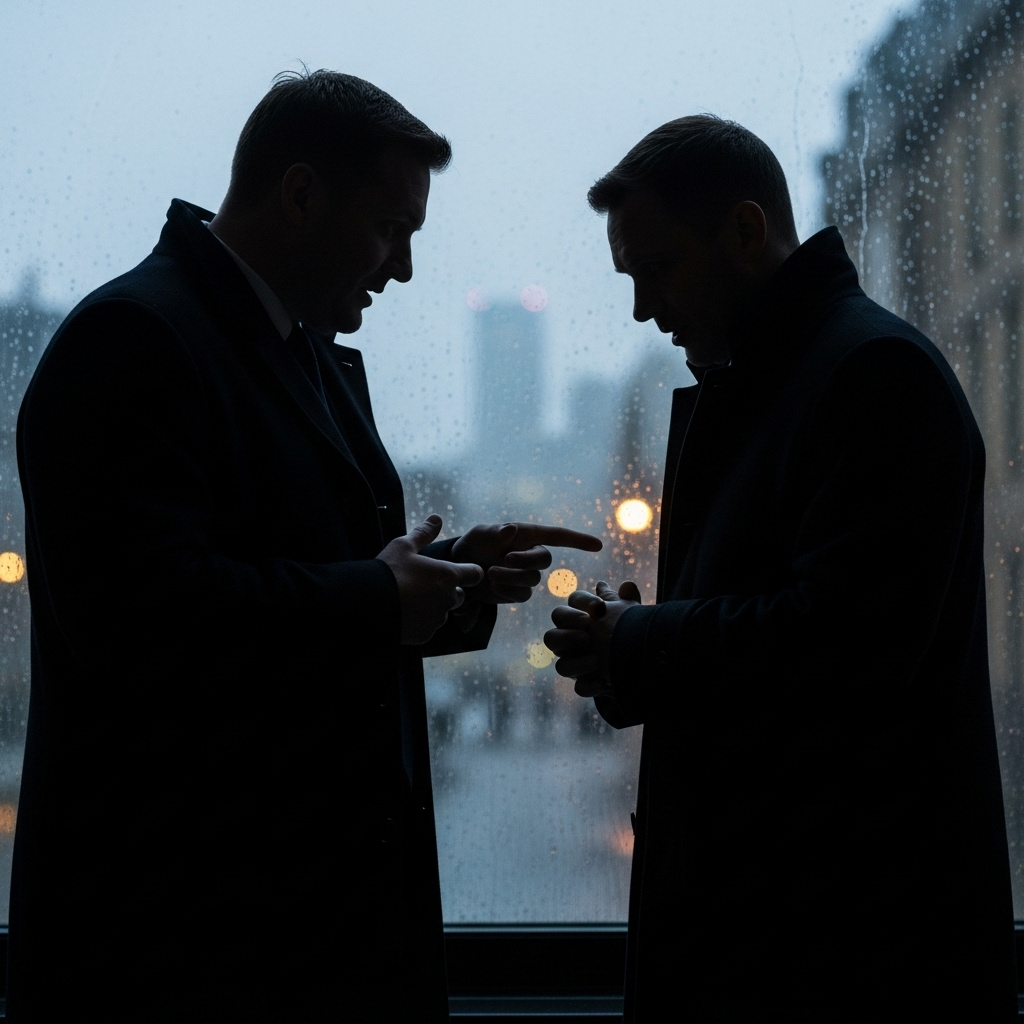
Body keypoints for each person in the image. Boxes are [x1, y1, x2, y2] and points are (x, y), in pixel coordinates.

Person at [10, 70, 600, 1023]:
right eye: (389, 229)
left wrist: (451, 582)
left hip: (280, 937)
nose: (402, 268)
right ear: (299, 195)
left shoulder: (293, 349)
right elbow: (132, 621)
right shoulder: (131, 339)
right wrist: (380, 595)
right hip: (185, 954)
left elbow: (302, 588)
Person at [545, 115, 1018, 1022]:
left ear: (747, 232)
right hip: (801, 945)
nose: (643, 309)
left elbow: (845, 648)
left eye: (654, 270)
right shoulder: (801, 379)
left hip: (843, 962)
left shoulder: (875, 374)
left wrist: (638, 641)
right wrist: (623, 655)